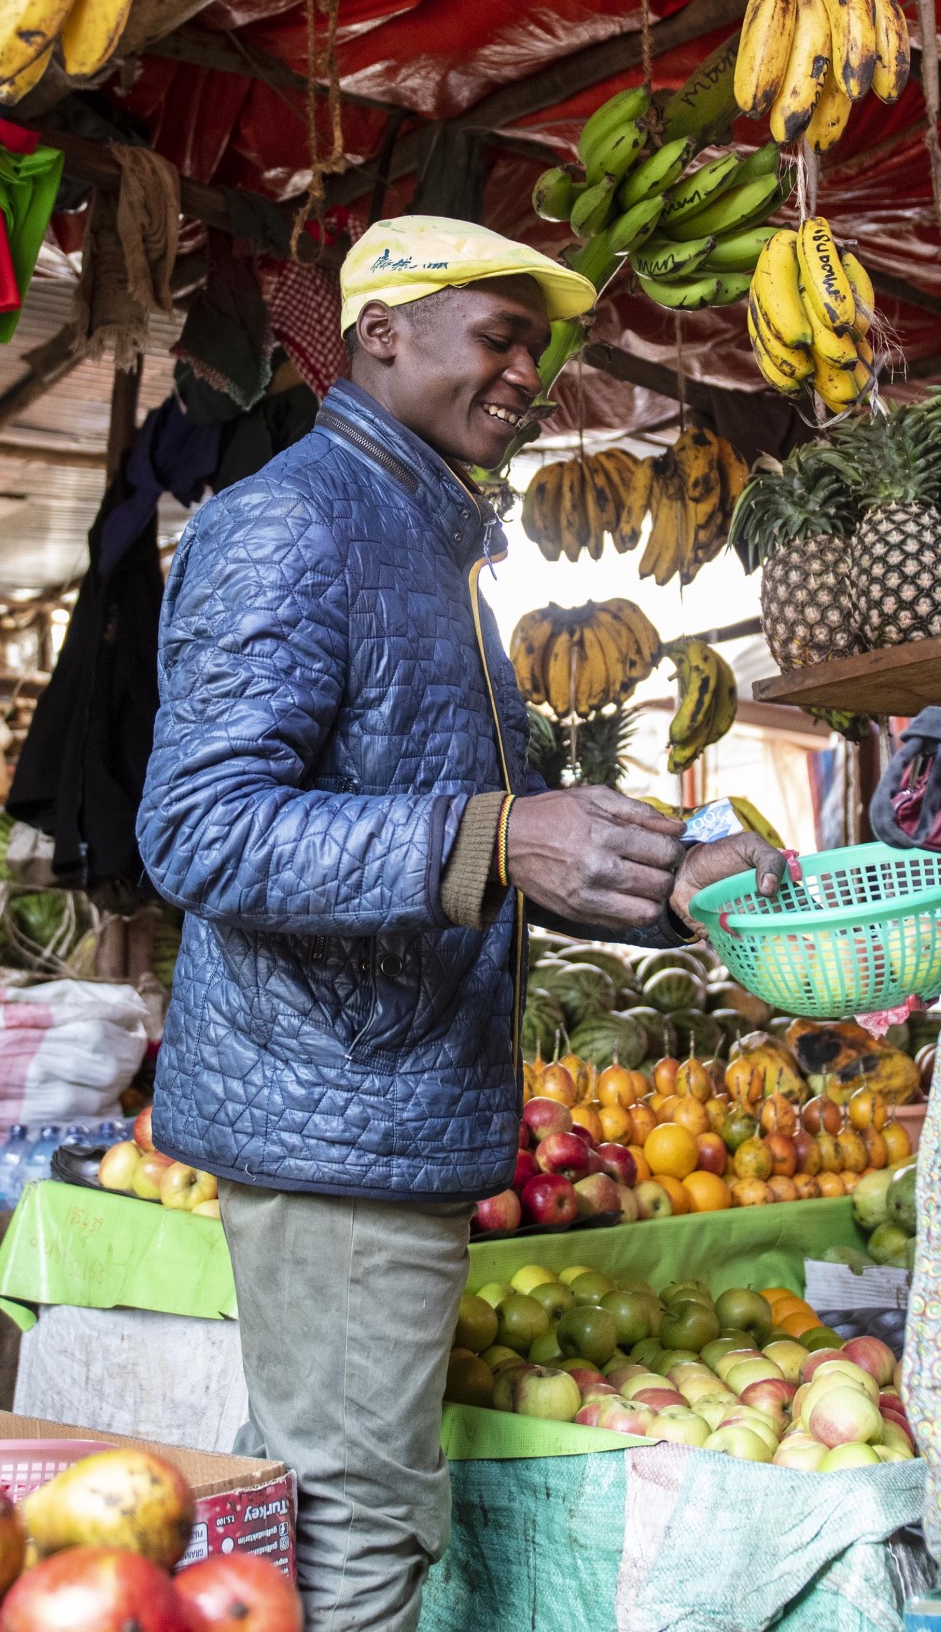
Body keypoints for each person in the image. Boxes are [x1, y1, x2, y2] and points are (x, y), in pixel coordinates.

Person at [138, 216, 780, 1632]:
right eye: (497, 339)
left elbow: (521, 835)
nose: (525, 378)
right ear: (382, 335)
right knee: (355, 1523)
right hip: (334, 1118)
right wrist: (498, 837)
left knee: (342, 1502)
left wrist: (673, 880)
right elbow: (198, 830)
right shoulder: (294, 521)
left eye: (533, 353)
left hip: (391, 1111)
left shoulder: (431, 548)